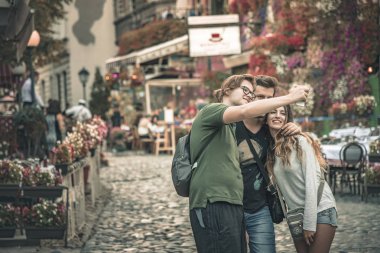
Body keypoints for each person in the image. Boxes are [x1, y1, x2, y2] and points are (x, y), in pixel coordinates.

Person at [188, 74, 309, 253]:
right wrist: (290, 98)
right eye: (250, 92)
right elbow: (244, 112)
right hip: (217, 201)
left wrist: (293, 128)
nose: (250, 97)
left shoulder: (265, 128)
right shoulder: (217, 114)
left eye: (251, 93)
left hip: (248, 205)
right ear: (227, 90)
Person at [235, 75, 300, 253]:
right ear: (250, 96)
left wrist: (296, 128)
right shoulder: (232, 126)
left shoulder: (269, 129)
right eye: (260, 97)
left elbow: (287, 134)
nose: (265, 103)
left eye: (269, 99)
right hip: (231, 207)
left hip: (259, 208)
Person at [266, 105, 337, 253]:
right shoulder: (270, 149)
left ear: (287, 118)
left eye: (282, 113)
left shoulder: (299, 142)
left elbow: (312, 182)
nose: (278, 115)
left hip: (320, 210)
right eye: (273, 112)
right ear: (265, 118)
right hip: (297, 216)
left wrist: (309, 224)